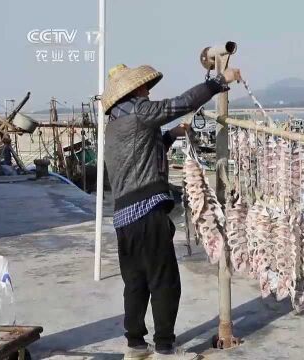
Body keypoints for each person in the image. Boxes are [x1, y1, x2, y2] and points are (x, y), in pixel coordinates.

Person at [101, 63, 241, 359]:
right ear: (135, 89)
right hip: (147, 210)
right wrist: (219, 81)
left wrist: (172, 134)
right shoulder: (139, 110)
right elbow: (181, 103)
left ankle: (135, 343)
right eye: (144, 88)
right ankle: (165, 346)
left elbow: (143, 154)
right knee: (164, 280)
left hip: (123, 217)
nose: (148, 92)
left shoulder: (114, 123)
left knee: (135, 282)